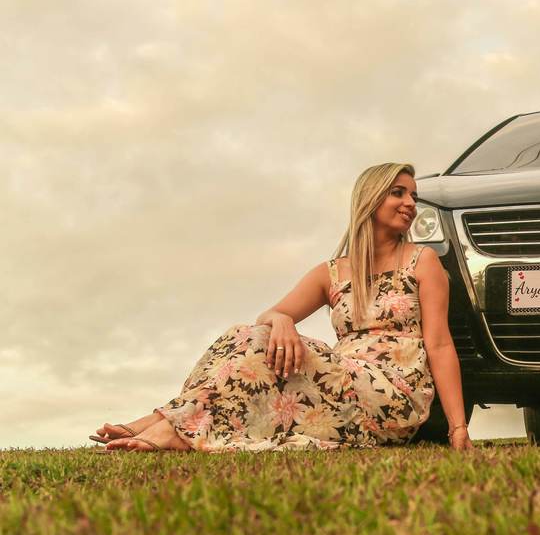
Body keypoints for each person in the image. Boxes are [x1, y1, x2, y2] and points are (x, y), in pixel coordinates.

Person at [92, 163, 473, 451]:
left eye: (412, 196)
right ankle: (170, 422)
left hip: (392, 390)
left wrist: (458, 427)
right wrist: (283, 324)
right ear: (370, 199)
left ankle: (169, 424)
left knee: (259, 340)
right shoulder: (332, 272)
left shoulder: (422, 262)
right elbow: (270, 317)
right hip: (341, 380)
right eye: (398, 193)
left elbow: (438, 344)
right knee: (243, 334)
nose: (410, 204)